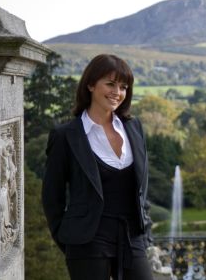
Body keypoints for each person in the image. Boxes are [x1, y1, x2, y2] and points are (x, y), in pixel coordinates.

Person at [42, 54, 154, 280]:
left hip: (132, 237)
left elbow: (142, 186)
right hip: (88, 240)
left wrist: (145, 230)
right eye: (110, 84)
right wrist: (68, 240)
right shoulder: (66, 136)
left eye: (123, 86)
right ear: (91, 84)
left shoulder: (134, 128)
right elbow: (52, 197)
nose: (117, 92)